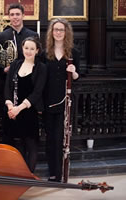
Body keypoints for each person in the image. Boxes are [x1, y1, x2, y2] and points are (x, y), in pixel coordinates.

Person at [0, 3, 39, 142]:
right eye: (12, 14)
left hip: (27, 85)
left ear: (23, 16)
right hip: (9, 84)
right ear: (8, 17)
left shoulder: (32, 35)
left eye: (17, 14)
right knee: (9, 124)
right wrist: (3, 68)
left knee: (27, 124)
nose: (15, 17)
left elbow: (38, 58)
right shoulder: (2, 36)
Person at [42, 18, 80, 182]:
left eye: (61, 30)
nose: (58, 32)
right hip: (47, 101)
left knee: (61, 138)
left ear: (66, 33)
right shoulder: (44, 54)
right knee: (51, 138)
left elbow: (77, 77)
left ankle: (61, 172)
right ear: (51, 32)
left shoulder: (73, 53)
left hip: (65, 102)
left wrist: (74, 72)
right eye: (55, 30)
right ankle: (53, 172)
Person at [4, 37, 47, 172]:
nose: (28, 51)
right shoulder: (15, 64)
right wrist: (10, 106)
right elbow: (7, 87)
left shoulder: (41, 68)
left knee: (31, 145)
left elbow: (37, 92)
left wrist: (19, 109)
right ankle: (20, 175)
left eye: (32, 49)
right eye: (26, 48)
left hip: (29, 111)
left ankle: (29, 177)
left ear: (37, 51)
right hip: (13, 111)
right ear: (22, 49)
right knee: (18, 145)